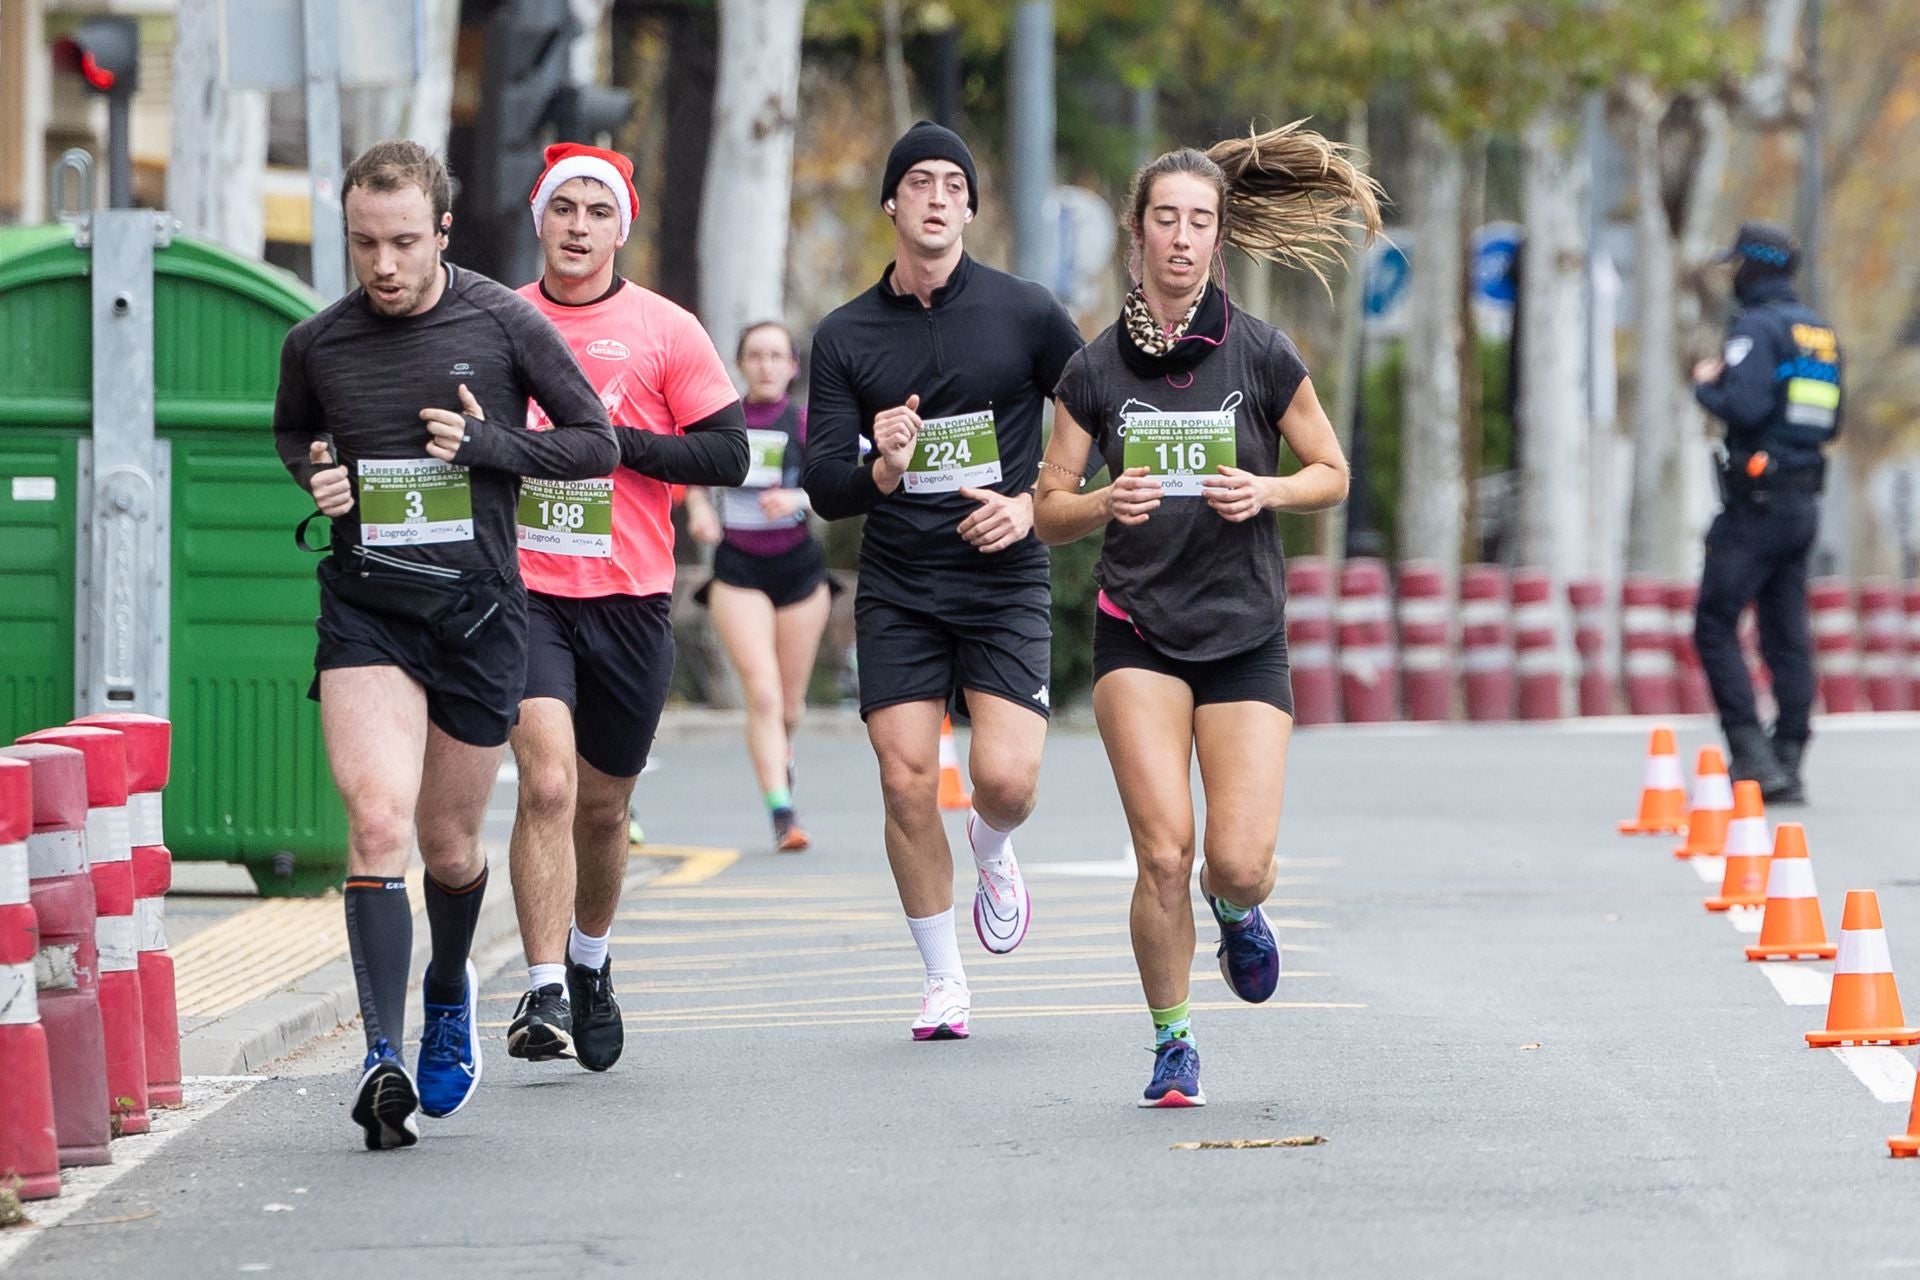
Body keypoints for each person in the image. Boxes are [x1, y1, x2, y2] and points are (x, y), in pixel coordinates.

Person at [273, 140, 617, 1149]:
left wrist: (489, 447)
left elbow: (594, 442)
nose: (382, 264)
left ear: (444, 234)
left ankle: (446, 988)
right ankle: (382, 1054)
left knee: (449, 845)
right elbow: (296, 432)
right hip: (369, 608)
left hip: (476, 615)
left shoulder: (503, 321)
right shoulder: (317, 342)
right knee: (376, 818)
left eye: (403, 243)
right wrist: (319, 478)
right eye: (363, 243)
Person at [1034, 125, 1380, 1107]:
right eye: (1165, 221)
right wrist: (1103, 502)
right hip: (1136, 628)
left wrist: (1263, 495)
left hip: (1242, 633)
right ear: (1137, 235)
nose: (1181, 239)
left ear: (1218, 242)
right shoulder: (1095, 369)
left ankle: (1236, 906)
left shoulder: (1261, 353)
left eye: (1199, 222)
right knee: (1162, 851)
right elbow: (1047, 503)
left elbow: (1332, 471)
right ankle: (1173, 1039)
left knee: (1235, 858)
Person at [803, 120, 1084, 1041]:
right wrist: (880, 468)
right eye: (917, 181)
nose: (935, 196)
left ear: (969, 207)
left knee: (1004, 782)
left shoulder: (1026, 312)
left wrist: (1036, 504)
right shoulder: (846, 335)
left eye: (952, 185)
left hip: (1001, 576)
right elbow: (822, 486)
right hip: (900, 584)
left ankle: (994, 849)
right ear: (892, 202)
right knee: (904, 779)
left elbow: (1096, 417)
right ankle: (942, 980)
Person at [505, 143, 748, 1070]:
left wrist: (611, 446)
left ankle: (589, 960)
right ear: (540, 220)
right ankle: (539, 990)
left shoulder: (664, 329)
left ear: (620, 226)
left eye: (596, 212)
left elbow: (727, 456)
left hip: (631, 598)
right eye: (562, 209)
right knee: (549, 787)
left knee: (604, 809)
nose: (577, 226)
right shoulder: (497, 320)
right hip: (525, 592)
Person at [1691, 222, 1842, 806]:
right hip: (1803, 500)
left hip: (1757, 501)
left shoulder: (1756, 328)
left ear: (1753, 267)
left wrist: (1707, 384)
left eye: (1736, 267)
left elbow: (1743, 403)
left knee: (1714, 621)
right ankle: (1790, 756)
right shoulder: (1819, 333)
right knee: (1785, 630)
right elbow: (1831, 422)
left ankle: (1751, 754)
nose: (1732, 278)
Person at [686, 320, 835, 854]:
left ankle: (782, 754)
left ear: (793, 367)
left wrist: (797, 501)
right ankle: (782, 814)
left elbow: (837, 486)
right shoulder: (722, 422)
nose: (767, 364)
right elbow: (693, 482)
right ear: (741, 364)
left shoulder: (806, 421)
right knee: (764, 694)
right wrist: (701, 512)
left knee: (789, 706)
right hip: (738, 570)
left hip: (799, 570)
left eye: (777, 355)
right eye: (756, 355)